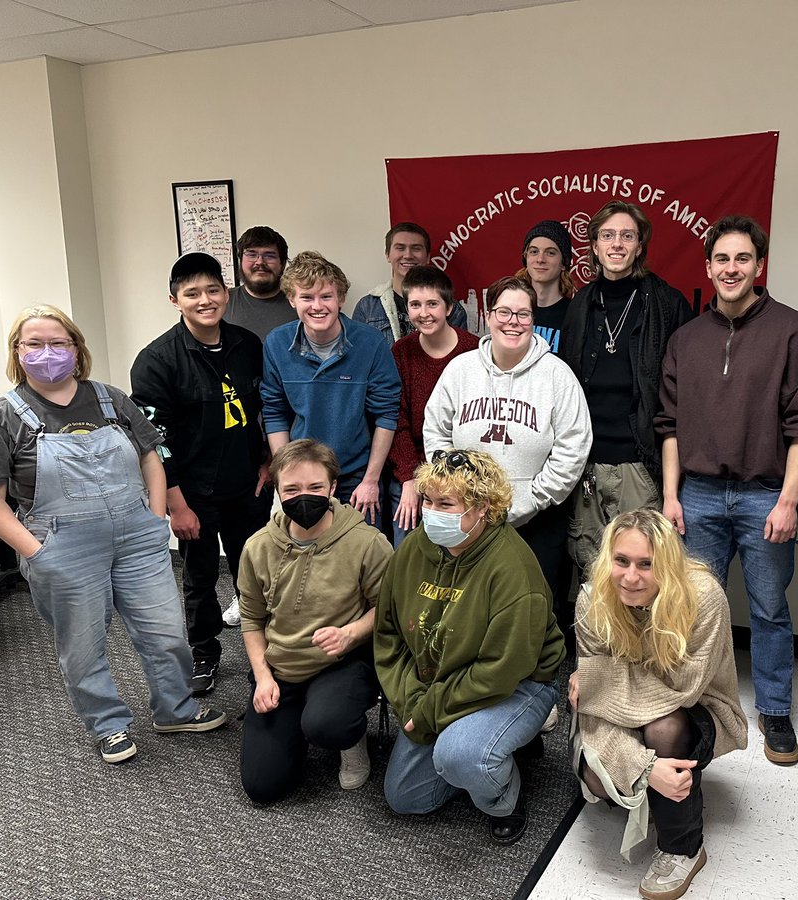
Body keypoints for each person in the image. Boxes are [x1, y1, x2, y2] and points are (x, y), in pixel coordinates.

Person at [0, 305, 227, 764]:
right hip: (62, 545)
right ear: (17, 352)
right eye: (34, 344)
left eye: (58, 342)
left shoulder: (110, 398)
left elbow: (151, 455)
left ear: (76, 347)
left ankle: (175, 708)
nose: (47, 353)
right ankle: (108, 725)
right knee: (84, 645)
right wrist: (36, 551)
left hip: (136, 537)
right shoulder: (3, 417)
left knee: (166, 633)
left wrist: (153, 517)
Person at [658, 215, 798, 765]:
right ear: (708, 267)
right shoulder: (686, 340)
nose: (731, 269)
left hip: (764, 495)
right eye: (721, 259)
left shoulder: (793, 332)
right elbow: (668, 426)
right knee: (690, 608)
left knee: (768, 609)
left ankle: (775, 710)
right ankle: (691, 703)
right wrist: (671, 496)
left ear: (759, 266)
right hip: (699, 495)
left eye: (742, 259)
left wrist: (787, 501)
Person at [375, 448, 565, 844]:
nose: (431, 512)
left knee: (461, 756)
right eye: (427, 500)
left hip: (515, 685)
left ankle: (504, 798)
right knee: (405, 797)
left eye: (446, 503)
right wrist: (412, 700)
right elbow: (388, 633)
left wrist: (429, 713)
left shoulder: (513, 568)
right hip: (436, 682)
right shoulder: (414, 547)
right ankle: (499, 748)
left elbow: (502, 668)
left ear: (483, 508)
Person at [571, 508, 747, 900]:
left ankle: (683, 847)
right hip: (622, 709)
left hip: (698, 707)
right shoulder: (592, 598)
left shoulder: (703, 598)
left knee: (664, 727)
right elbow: (593, 710)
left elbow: (680, 690)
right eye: (621, 561)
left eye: (646, 565)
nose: (630, 577)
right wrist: (645, 769)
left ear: (666, 565)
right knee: (597, 782)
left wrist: (598, 680)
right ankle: (652, 786)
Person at [131, 251, 273, 695]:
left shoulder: (248, 345)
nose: (205, 300)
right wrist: (176, 504)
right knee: (200, 577)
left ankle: (263, 653)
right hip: (192, 492)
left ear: (226, 294)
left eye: (212, 290)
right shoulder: (157, 361)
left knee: (255, 572)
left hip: (247, 483)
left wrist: (268, 460)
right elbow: (154, 440)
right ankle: (205, 650)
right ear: (175, 300)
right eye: (192, 293)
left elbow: (265, 408)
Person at [424, 275, 591, 635]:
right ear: (488, 316)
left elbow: (573, 446)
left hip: (537, 518)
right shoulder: (460, 370)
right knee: (469, 608)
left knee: (532, 612)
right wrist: (457, 495)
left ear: (534, 320)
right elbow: (436, 431)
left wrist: (529, 500)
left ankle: (536, 684)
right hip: (467, 517)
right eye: (504, 312)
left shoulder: (557, 375)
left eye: (523, 314)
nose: (513, 322)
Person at [237, 439, 392, 804]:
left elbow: (387, 608)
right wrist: (262, 677)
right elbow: (251, 618)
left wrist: (351, 633)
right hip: (283, 669)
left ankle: (347, 738)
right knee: (263, 786)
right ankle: (299, 720)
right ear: (277, 490)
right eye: (291, 489)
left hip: (342, 661)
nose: (303, 496)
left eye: (315, 487)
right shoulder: (258, 547)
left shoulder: (367, 543)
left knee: (328, 724)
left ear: (333, 488)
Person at [560, 200, 692, 581]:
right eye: (608, 235)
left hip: (642, 467)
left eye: (627, 236)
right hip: (586, 467)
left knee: (643, 580)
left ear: (639, 246)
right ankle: (597, 645)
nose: (617, 244)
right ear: (595, 246)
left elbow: (680, 399)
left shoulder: (668, 304)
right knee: (592, 577)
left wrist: (671, 486)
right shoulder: (581, 305)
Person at [261, 250, 401, 523]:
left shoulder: (370, 344)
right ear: (292, 300)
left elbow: (387, 414)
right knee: (305, 554)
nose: (317, 306)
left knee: (364, 556)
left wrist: (371, 480)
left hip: (357, 477)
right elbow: (274, 412)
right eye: (306, 297)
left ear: (341, 299)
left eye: (326, 296)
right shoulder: (277, 344)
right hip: (302, 475)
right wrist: (285, 477)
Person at [388, 265, 478, 548]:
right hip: (413, 467)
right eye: (415, 304)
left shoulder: (475, 350)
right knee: (408, 545)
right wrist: (410, 479)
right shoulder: (401, 351)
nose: (424, 313)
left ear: (449, 307)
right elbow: (396, 418)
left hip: (464, 468)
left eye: (432, 304)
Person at [351, 222, 468, 342]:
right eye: (400, 248)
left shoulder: (453, 309)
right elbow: (358, 355)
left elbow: (460, 356)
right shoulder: (367, 307)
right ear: (387, 255)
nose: (408, 255)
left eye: (416, 248)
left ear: (427, 256)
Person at [224, 225, 297, 341]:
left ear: (282, 263)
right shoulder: (223, 302)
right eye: (252, 255)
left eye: (269, 256)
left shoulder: (301, 303)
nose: (260, 262)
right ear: (240, 261)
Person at [517, 219, 574, 354]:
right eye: (534, 251)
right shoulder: (512, 308)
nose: (540, 259)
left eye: (550, 253)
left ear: (564, 263)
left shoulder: (575, 314)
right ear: (526, 260)